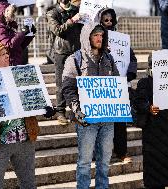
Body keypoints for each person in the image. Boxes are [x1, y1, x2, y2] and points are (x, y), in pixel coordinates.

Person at [0, 42, 54, 189]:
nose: (7, 56)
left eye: (7, 53)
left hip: (25, 139)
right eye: (2, 54)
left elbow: (32, 97)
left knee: (29, 183)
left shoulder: (18, 74)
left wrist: (45, 109)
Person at [62, 22, 119, 189]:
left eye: (102, 35)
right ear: (87, 37)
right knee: (85, 162)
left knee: (105, 161)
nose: (99, 38)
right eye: (96, 35)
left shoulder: (109, 58)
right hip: (86, 120)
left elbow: (117, 84)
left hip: (108, 118)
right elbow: (67, 88)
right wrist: (77, 110)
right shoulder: (74, 59)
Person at [95, 7, 138, 163]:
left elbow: (132, 59)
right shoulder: (94, 39)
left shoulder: (121, 40)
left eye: (111, 20)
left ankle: (122, 152)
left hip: (119, 85)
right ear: (100, 21)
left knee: (120, 122)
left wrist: (129, 74)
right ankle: (100, 153)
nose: (109, 22)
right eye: (105, 20)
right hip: (102, 86)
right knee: (101, 121)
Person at [134, 59, 168, 189]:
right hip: (152, 129)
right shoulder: (145, 82)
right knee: (153, 163)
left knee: (167, 162)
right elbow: (138, 102)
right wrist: (148, 108)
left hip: (167, 127)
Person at [46, 0, 83, 123]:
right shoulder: (52, 12)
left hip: (76, 50)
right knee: (60, 83)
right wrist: (72, 20)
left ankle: (75, 110)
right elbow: (58, 30)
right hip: (61, 51)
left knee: (77, 82)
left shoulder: (76, 10)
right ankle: (60, 112)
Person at [0, 1, 36, 66]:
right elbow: (9, 46)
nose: (12, 14)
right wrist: (23, 32)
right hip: (5, 66)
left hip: (14, 63)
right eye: (8, 11)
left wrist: (29, 35)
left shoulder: (9, 27)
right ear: (2, 14)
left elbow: (20, 46)